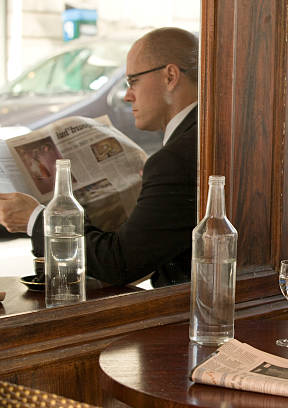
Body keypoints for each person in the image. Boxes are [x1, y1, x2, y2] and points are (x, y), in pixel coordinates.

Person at [0, 27, 199, 287]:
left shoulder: (175, 159)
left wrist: (35, 219)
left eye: (133, 81)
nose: (128, 96)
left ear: (170, 76)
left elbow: (118, 263)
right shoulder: (204, 137)